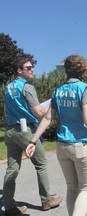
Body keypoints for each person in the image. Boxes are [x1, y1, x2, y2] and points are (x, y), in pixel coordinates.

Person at [25, 54, 87, 216]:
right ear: (83, 69)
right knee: (86, 189)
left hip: (62, 147)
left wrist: (33, 141)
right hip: (81, 144)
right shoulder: (85, 88)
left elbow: (47, 118)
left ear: (66, 70)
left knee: (72, 188)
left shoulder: (58, 91)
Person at [3, 56, 63, 215]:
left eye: (32, 67)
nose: (32, 70)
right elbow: (38, 112)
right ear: (19, 71)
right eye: (28, 68)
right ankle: (46, 200)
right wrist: (53, 102)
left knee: (12, 168)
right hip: (26, 130)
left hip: (10, 130)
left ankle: (8, 205)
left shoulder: (8, 87)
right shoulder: (27, 87)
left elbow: (6, 111)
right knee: (41, 164)